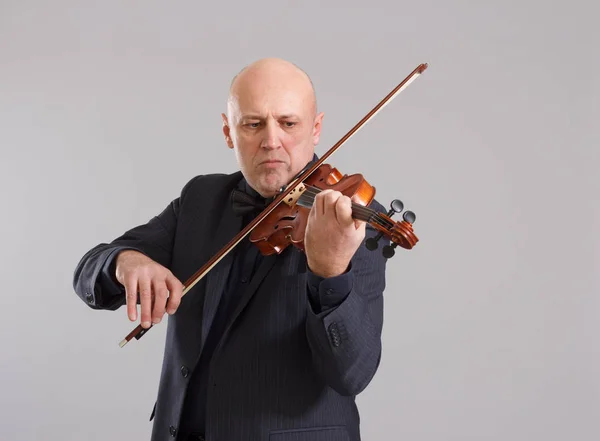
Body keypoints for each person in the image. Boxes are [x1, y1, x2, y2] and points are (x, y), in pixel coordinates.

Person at [73, 57, 390, 441]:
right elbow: (91, 269)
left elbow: (352, 373)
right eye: (253, 124)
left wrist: (329, 271)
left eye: (289, 123)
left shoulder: (354, 221)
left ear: (316, 129)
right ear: (228, 132)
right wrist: (127, 262)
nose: (272, 140)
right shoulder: (201, 199)